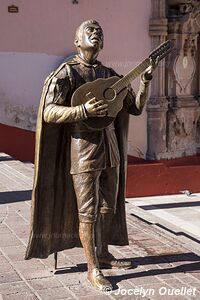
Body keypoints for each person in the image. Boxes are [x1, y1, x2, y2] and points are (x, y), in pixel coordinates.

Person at [25, 20, 156, 291]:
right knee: (87, 211)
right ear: (77, 41)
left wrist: (144, 82)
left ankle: (104, 253)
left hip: (110, 148)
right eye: (90, 31)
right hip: (82, 149)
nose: (96, 34)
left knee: (108, 206)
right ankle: (92, 268)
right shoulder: (66, 74)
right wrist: (81, 111)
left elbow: (135, 108)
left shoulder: (110, 74)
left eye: (100, 32)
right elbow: (49, 112)